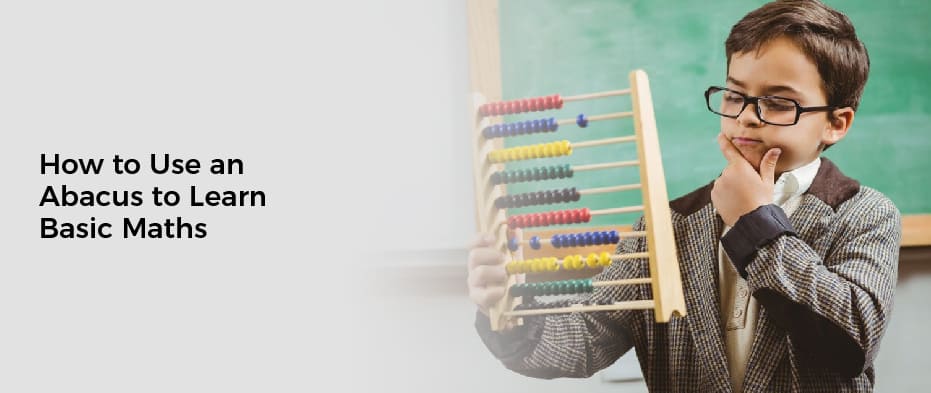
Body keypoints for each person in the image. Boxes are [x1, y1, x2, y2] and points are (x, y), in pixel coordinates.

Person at [467, 1, 901, 391]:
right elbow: (584, 340)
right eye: (734, 95)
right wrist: (508, 309)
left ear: (836, 123)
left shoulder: (864, 214)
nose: (746, 118)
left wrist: (755, 223)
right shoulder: (668, 226)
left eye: (778, 103)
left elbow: (852, 340)